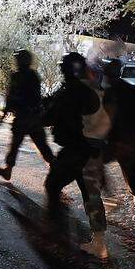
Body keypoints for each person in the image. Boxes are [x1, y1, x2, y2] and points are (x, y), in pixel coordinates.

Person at [41, 52, 100, 221]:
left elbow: (49, 117)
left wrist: (43, 110)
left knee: (52, 185)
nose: (61, 70)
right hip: (88, 149)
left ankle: (60, 234)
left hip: (75, 149)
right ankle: (96, 233)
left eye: (64, 67)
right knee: (89, 192)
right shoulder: (87, 90)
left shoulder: (70, 92)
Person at [102, 59, 135, 228]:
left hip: (117, 142)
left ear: (108, 75)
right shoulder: (131, 90)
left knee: (92, 162)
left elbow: (106, 119)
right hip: (133, 140)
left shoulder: (110, 93)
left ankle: (107, 197)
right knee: (133, 179)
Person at [0, 49, 55, 181]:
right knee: (42, 146)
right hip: (34, 118)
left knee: (15, 145)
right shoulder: (34, 76)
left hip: (23, 118)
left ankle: (8, 170)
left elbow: (11, 98)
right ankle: (55, 169)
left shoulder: (17, 76)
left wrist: (4, 115)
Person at [76, 63, 112, 259]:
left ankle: (99, 243)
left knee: (91, 193)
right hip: (96, 145)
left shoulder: (85, 93)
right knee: (92, 191)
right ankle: (97, 240)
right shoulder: (99, 92)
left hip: (89, 146)